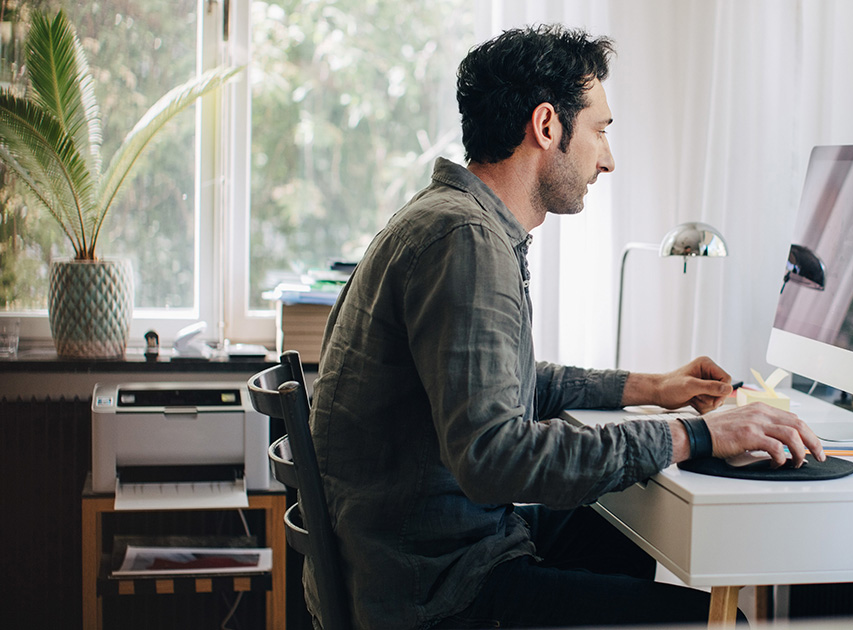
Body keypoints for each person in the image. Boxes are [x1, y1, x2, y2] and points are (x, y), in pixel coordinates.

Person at [308, 23, 825, 630]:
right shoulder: (465, 240)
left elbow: (511, 385)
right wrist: (697, 435)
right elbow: (494, 456)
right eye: (601, 131)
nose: (607, 159)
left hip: (423, 556)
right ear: (547, 126)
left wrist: (650, 388)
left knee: (629, 530)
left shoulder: (453, 220)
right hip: (440, 592)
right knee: (720, 624)